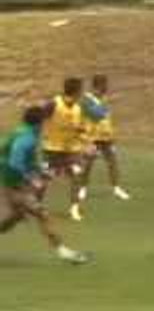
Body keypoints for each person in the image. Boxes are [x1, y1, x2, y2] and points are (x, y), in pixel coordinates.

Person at [0, 105, 88, 263]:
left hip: (9, 181)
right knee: (42, 214)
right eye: (43, 122)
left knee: (15, 217)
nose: (44, 125)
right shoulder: (27, 138)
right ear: (38, 123)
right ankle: (63, 251)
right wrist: (31, 179)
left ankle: (62, 251)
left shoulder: (23, 131)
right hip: (13, 184)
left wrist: (42, 171)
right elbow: (15, 162)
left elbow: (26, 160)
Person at [41, 77, 101, 222]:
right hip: (52, 149)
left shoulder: (78, 108)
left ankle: (74, 209)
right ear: (76, 91)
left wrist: (88, 143)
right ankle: (36, 206)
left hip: (71, 150)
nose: (82, 92)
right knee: (45, 179)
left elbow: (78, 128)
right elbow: (39, 117)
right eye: (80, 89)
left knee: (77, 175)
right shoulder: (54, 104)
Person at [78, 74, 132, 203]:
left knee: (112, 161)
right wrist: (104, 105)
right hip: (92, 137)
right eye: (104, 85)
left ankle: (116, 188)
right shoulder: (87, 100)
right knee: (88, 164)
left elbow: (106, 119)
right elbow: (95, 115)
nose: (106, 87)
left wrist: (111, 133)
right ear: (98, 86)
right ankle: (82, 188)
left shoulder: (103, 99)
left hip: (106, 137)